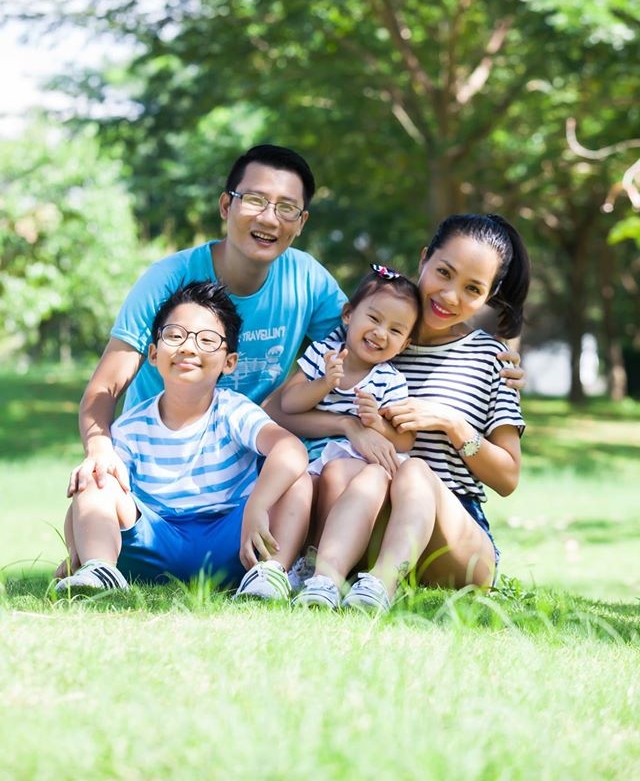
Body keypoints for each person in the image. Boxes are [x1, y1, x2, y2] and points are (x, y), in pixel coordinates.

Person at [279, 214, 529, 612]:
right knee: (344, 471)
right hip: (367, 514)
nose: (450, 296)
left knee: (413, 471)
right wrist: (349, 426)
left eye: (472, 289)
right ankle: (326, 578)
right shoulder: (374, 331)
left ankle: (381, 586)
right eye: (444, 272)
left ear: (489, 295)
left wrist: (452, 423)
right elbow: (279, 411)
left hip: (453, 537)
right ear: (424, 258)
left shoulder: (491, 359)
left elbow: (508, 477)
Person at [70, 144, 347, 499]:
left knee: (335, 477)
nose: (269, 218)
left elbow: (362, 352)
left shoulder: (307, 279)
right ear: (226, 205)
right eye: (255, 200)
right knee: (92, 500)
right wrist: (99, 449)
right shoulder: (168, 277)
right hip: (158, 465)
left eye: (286, 207)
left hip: (249, 465)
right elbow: (104, 387)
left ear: (301, 222)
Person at [54, 281, 310, 600]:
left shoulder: (234, 411)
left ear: (229, 362)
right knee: (96, 475)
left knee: (297, 480)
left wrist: (257, 505)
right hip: (154, 546)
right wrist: (76, 548)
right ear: (153, 353)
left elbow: (291, 449)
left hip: (234, 542)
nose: (188, 348)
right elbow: (91, 499)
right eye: (175, 336)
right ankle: (99, 570)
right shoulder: (131, 427)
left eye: (207, 340)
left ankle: (270, 574)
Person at [279, 264, 420, 593]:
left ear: (404, 344)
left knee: (338, 477)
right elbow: (289, 403)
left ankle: (320, 562)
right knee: (296, 486)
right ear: (348, 315)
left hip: (353, 463)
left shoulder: (390, 381)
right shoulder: (322, 355)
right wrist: (324, 384)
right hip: (310, 454)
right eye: (374, 319)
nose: (381, 333)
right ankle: (281, 564)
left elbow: (405, 440)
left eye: (395, 330)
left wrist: (377, 423)